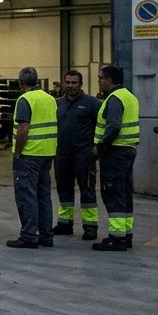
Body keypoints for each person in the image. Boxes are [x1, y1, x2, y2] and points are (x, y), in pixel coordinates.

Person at [6, 67, 58, 249]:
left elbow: (23, 129)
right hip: (47, 153)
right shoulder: (50, 99)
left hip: (29, 154)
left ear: (21, 83)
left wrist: (18, 152)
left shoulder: (24, 100)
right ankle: (46, 235)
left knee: (26, 195)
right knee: (43, 195)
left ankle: (28, 235)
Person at [92, 64, 141, 252]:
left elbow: (113, 126)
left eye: (100, 78)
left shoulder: (114, 99)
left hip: (115, 152)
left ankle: (117, 237)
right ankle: (126, 234)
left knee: (113, 192)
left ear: (109, 80)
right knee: (124, 192)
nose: (99, 81)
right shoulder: (130, 97)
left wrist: (100, 148)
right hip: (128, 150)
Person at [54, 70, 101, 240]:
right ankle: (64, 223)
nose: (70, 86)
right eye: (67, 82)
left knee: (87, 190)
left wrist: (97, 148)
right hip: (62, 154)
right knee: (63, 189)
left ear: (81, 84)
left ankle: (90, 226)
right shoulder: (58, 103)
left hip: (84, 156)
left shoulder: (92, 104)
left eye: (74, 83)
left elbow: (102, 126)